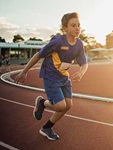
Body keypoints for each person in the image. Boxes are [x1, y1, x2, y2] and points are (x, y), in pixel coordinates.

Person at [15, 12, 88, 140]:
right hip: (50, 76)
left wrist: (81, 72)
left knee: (68, 105)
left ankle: (46, 127)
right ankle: (42, 103)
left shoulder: (79, 44)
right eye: (73, 25)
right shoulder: (58, 41)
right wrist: (24, 71)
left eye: (78, 25)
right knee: (60, 106)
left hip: (64, 76)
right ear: (65, 28)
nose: (77, 28)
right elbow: (38, 55)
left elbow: (84, 63)